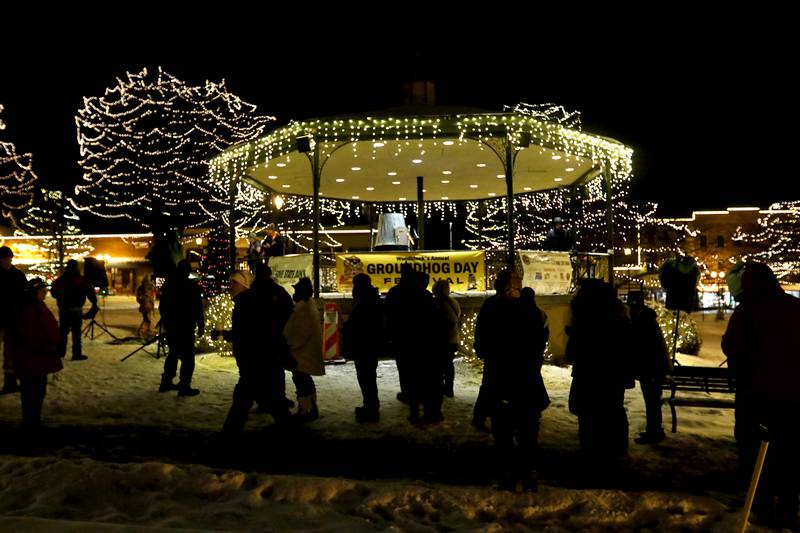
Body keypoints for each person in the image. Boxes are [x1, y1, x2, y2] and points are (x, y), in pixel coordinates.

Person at [722, 262, 800, 530]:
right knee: (789, 452)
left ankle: (762, 504)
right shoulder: (793, 307)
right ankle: (789, 506)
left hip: (755, 396)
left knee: (755, 450)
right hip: (791, 396)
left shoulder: (747, 311)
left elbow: (731, 345)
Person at [474, 270, 550, 491]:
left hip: (501, 378)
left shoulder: (491, 307)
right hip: (524, 379)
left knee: (504, 432)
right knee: (526, 433)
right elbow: (540, 340)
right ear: (509, 286)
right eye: (516, 281)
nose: (519, 284)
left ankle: (508, 474)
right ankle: (526, 474)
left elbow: (481, 345)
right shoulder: (528, 310)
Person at [566, 278, 634, 464]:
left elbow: (571, 354)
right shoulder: (620, 319)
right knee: (613, 411)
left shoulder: (583, 322)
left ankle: (592, 452)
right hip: (613, 377)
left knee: (589, 416)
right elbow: (627, 350)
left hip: (588, 376)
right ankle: (616, 450)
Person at [220, 270, 291, 434]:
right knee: (269, 402)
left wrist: (227, 335)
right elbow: (245, 333)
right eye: (229, 282)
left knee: (243, 403)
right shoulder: (245, 302)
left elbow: (251, 334)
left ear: (244, 284)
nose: (230, 286)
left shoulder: (247, 304)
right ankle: (289, 431)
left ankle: (227, 440)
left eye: (234, 282)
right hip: (257, 364)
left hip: (255, 364)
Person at [8, 278, 62, 430]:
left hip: (38, 357)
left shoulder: (36, 306)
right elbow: (31, 334)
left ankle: (33, 419)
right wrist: (48, 344)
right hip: (34, 356)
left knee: (37, 390)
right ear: (34, 292)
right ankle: (30, 421)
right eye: (42, 291)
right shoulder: (28, 309)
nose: (45, 293)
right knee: (32, 390)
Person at [627, 291, 670, 445]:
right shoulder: (648, 320)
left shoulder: (642, 322)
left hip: (651, 369)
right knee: (652, 402)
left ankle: (654, 432)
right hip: (654, 368)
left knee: (651, 402)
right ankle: (654, 430)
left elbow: (642, 348)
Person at [158, 259, 204, 396]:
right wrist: (200, 323)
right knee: (188, 357)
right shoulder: (192, 286)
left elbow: (163, 306)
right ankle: (184, 385)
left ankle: (166, 381)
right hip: (186, 325)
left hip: (173, 325)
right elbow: (197, 307)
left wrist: (166, 321)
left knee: (173, 353)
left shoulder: (169, 285)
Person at [342, 273, 384, 423]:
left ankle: (371, 409)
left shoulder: (366, 301)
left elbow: (361, 325)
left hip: (365, 346)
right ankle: (370, 406)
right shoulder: (369, 298)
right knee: (367, 378)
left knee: (367, 378)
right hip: (367, 345)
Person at [284, 277, 324, 421]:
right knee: (304, 380)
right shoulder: (307, 306)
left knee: (301, 381)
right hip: (306, 351)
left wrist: (289, 345)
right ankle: (310, 407)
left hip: (301, 353)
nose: (294, 293)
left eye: (296, 290)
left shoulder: (302, 308)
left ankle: (305, 410)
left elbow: (297, 332)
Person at [50, 259, 97, 361]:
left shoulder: (61, 280)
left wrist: (61, 297)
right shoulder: (80, 280)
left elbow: (53, 293)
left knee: (63, 332)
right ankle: (76, 354)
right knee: (76, 333)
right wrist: (94, 302)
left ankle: (60, 352)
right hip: (76, 309)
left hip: (63, 309)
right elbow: (89, 291)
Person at [0, 246, 28, 394]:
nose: (7, 261)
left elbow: (24, 296)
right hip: (7, 317)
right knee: (9, 351)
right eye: (5, 259)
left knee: (10, 352)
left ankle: (10, 381)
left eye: (9, 259)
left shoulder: (17, 275)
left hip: (12, 319)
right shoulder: (17, 275)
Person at [432, 279, 460, 398]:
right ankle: (449, 388)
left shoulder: (437, 303)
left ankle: (442, 388)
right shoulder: (454, 302)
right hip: (453, 338)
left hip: (441, 339)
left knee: (439, 365)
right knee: (448, 364)